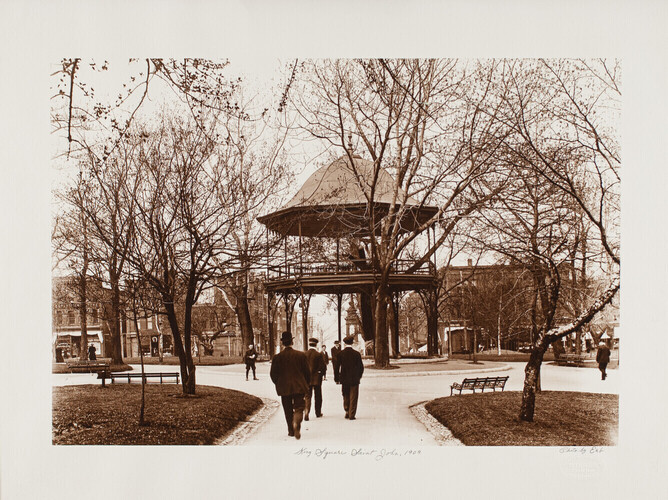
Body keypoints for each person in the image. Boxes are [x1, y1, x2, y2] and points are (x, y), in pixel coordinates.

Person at [270, 331, 310, 439]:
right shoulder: (301, 355)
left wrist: (279, 383)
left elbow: (273, 374)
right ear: (292, 341)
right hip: (299, 386)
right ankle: (296, 422)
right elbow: (307, 372)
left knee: (287, 409)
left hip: (284, 387)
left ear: (283, 343)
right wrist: (305, 383)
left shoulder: (277, 357)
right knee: (299, 407)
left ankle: (291, 431)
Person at [339, 335, 364, 420]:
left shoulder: (340, 353)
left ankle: (346, 410)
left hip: (344, 378)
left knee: (345, 394)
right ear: (352, 343)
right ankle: (352, 414)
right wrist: (359, 376)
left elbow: (336, 367)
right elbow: (361, 367)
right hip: (354, 378)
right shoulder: (356, 354)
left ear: (344, 343)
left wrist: (337, 378)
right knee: (353, 396)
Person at [304, 338, 326, 420]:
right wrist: (322, 374)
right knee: (318, 396)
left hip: (307, 379)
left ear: (309, 344)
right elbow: (323, 366)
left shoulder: (304, 354)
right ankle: (318, 413)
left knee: (307, 396)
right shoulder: (318, 354)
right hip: (317, 378)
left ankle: (306, 412)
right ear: (316, 345)